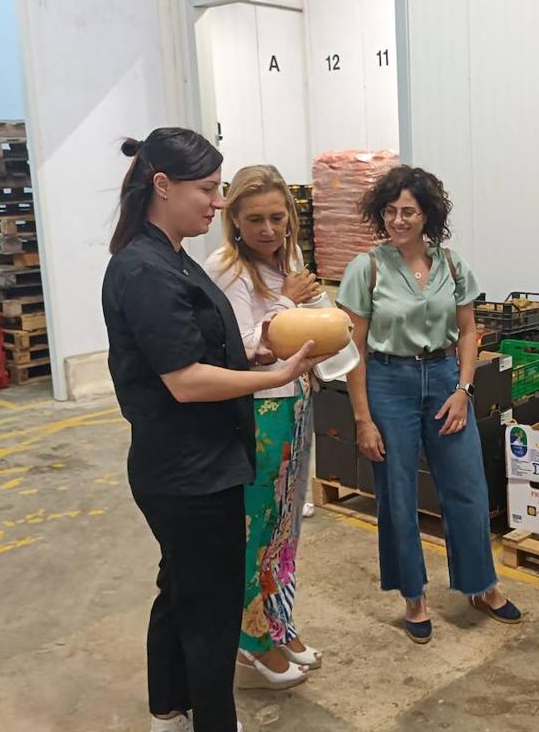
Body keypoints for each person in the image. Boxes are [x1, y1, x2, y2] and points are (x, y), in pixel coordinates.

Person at [101, 129, 326, 732]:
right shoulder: (146, 269)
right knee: (212, 611)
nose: (216, 203)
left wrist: (248, 357)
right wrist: (272, 374)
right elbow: (183, 380)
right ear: (162, 186)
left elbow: (203, 349)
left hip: (199, 461)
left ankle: (168, 710)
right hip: (188, 471)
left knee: (180, 592)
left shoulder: (170, 255)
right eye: (206, 189)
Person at [337, 165, 521, 644]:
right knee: (396, 494)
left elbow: (468, 332)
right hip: (388, 380)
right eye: (391, 211)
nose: (398, 221)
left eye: (409, 212)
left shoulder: (452, 265)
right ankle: (413, 595)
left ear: (427, 215)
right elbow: (351, 346)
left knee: (467, 487)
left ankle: (481, 585)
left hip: (443, 378)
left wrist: (463, 390)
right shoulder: (368, 268)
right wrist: (363, 418)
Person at [205, 165, 322, 690]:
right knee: (256, 525)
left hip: (296, 402)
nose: (268, 229)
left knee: (284, 526)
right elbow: (243, 344)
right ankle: (248, 637)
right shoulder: (225, 268)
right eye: (255, 219)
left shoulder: (286, 259)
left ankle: (277, 621)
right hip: (259, 409)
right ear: (234, 220)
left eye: (278, 217)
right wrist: (290, 303)